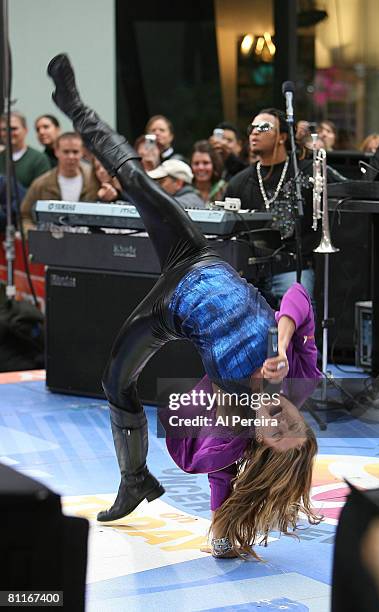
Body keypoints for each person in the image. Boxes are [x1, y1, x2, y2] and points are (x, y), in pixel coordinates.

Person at [47, 53, 321, 559]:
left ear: (261, 443)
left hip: (169, 309)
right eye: (292, 423)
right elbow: (301, 296)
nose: (279, 418)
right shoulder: (302, 375)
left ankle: (133, 479)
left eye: (274, 431)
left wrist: (224, 534)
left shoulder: (231, 438)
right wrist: (283, 336)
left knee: (115, 383)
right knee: (137, 183)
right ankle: (76, 106)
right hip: (198, 255)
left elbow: (219, 503)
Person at [225, 108, 317, 307]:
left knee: (295, 311)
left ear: (282, 137)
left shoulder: (309, 171)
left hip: (292, 268)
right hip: (249, 271)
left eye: (263, 127)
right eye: (252, 128)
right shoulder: (239, 183)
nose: (254, 132)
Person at [20, 131, 95, 233]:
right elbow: (25, 215)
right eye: (66, 152)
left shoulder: (94, 179)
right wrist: (34, 235)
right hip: (52, 242)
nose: (71, 157)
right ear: (56, 152)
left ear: (82, 152)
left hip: (88, 241)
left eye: (75, 152)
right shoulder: (42, 183)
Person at [0, 112, 51, 189]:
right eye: (4, 129)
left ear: (25, 130)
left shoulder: (39, 159)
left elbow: (42, 192)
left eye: (13, 129)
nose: (8, 133)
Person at [191, 140, 226, 205]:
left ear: (214, 165)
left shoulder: (224, 190)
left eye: (205, 163)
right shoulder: (185, 191)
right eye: (196, 163)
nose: (200, 167)